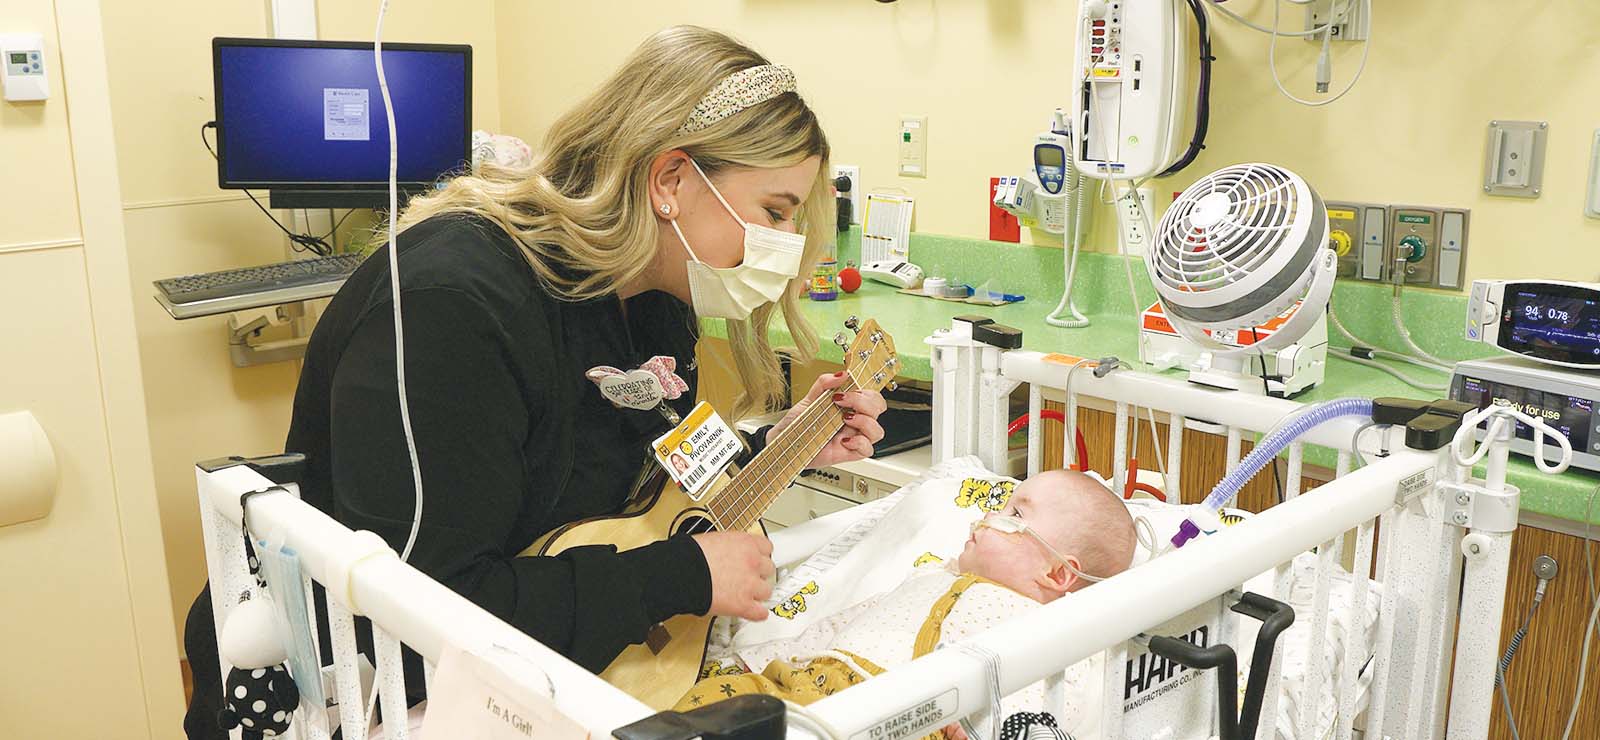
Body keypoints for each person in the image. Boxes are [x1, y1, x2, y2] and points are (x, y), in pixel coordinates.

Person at [183, 25, 888, 737]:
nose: (784, 246)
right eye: (774, 213)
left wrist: (778, 448)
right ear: (671, 182)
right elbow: (429, 614)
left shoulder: (651, 294)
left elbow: (635, 485)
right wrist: (681, 576)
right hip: (362, 681)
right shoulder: (454, 308)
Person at [673, 470, 1137, 738]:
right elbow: (839, 624)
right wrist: (748, 662)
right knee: (702, 710)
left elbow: (1045, 705)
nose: (988, 515)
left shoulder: (1046, 630)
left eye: (1015, 513)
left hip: (904, 717)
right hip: (800, 685)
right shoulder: (928, 578)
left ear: (1058, 573)